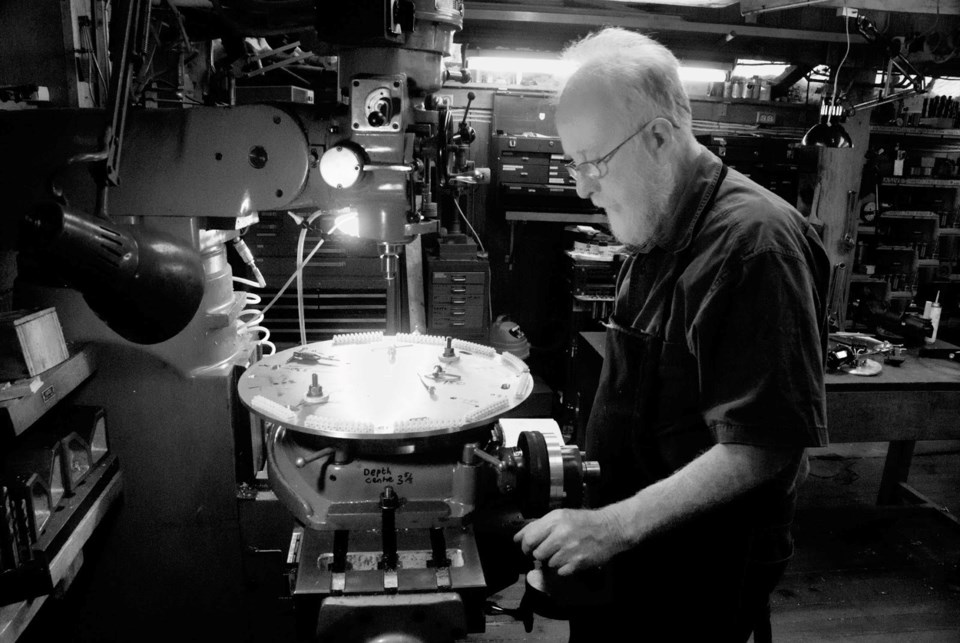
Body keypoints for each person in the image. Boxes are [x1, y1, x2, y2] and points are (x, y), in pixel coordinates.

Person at [514, 28, 830, 642]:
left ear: (658, 137)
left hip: (702, 563)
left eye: (592, 164)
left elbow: (763, 446)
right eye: (572, 165)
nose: (582, 188)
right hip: (635, 544)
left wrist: (612, 527)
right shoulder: (659, 222)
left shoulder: (754, 247)